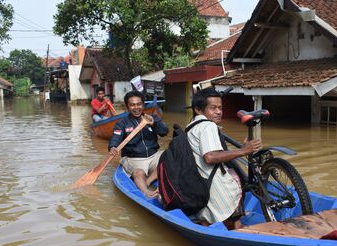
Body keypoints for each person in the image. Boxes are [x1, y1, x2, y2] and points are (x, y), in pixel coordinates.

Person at [187, 88, 261, 229]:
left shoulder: (191, 126)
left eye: (220, 108)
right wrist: (243, 150)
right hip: (214, 185)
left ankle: (213, 222)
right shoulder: (207, 126)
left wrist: (241, 150)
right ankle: (236, 226)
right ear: (198, 110)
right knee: (234, 176)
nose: (219, 112)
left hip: (199, 182)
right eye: (213, 108)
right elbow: (210, 157)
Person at [109, 90, 169, 197]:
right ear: (127, 107)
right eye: (132, 105)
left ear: (143, 105)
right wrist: (113, 147)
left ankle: (148, 181)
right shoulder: (121, 123)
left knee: (171, 157)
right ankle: (147, 192)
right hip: (134, 159)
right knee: (138, 173)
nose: (136, 108)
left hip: (153, 156)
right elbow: (115, 138)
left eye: (139, 104)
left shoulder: (152, 118)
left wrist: (154, 124)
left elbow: (164, 132)